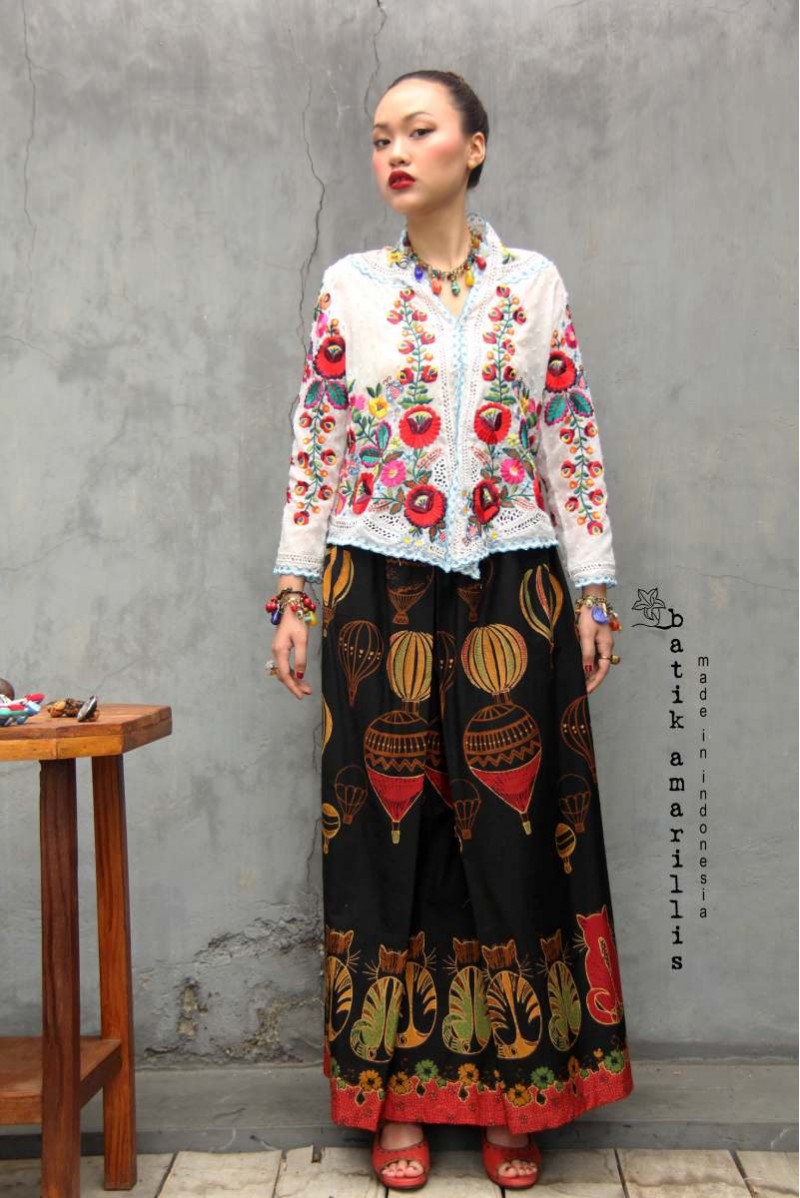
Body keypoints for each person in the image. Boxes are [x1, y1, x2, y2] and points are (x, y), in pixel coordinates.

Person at [265, 69, 633, 1192]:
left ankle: (522, 1090)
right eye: (380, 135)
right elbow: (321, 436)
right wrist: (294, 593)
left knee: (517, 832)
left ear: (472, 147)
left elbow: (567, 430)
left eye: (418, 131)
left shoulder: (534, 285)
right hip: (374, 586)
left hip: (514, 584)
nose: (394, 151)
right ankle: (393, 1098)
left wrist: (592, 590)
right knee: (389, 837)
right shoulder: (350, 288)